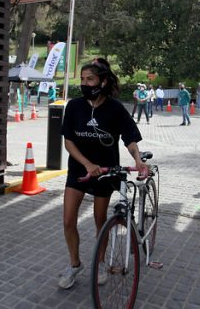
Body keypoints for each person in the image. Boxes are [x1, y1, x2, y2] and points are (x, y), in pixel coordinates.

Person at [58, 58, 146, 289]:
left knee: (100, 220)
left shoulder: (115, 108)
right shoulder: (74, 106)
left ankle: (99, 263)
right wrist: (87, 164)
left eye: (90, 79)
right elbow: (69, 142)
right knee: (68, 220)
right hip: (79, 169)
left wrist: (138, 160)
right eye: (82, 80)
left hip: (106, 171)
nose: (85, 84)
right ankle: (75, 264)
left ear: (103, 81)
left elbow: (130, 138)